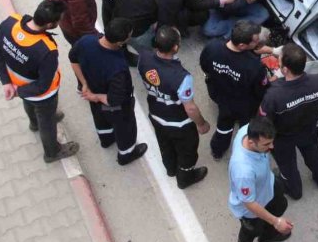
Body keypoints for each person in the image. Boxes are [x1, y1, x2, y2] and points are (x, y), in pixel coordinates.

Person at [0, 0, 78, 163]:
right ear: (50, 24)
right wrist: (17, 91)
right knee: (47, 121)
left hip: (19, 86)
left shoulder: (10, 23)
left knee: (29, 104)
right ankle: (52, 152)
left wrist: (7, 83)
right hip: (42, 95)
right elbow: (43, 85)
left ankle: (34, 123)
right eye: (59, 20)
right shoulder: (46, 50)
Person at [260, 44, 318, 199]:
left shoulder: (273, 95)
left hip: (283, 138)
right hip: (309, 130)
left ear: (284, 70)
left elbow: (263, 121)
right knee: (314, 155)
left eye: (279, 61)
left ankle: (295, 191)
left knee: (287, 166)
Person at [138, 26, 210, 189]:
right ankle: (185, 177)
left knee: (165, 145)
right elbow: (190, 108)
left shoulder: (144, 57)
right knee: (187, 152)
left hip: (156, 115)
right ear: (176, 47)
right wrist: (201, 124)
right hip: (179, 124)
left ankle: (170, 169)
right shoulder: (182, 77)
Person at [69, 18, 147, 165]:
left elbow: (73, 59)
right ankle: (126, 154)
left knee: (101, 119)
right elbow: (113, 100)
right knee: (125, 128)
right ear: (120, 42)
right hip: (113, 105)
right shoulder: (118, 68)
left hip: (95, 97)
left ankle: (106, 140)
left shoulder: (86, 41)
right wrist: (95, 96)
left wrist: (84, 84)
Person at [199, 21, 269, 160]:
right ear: (243, 45)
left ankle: (217, 150)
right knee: (245, 128)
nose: (257, 44)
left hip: (218, 93)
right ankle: (246, 152)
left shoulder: (212, 47)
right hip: (241, 103)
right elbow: (260, 91)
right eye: (255, 42)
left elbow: (204, 66)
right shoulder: (254, 66)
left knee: (224, 126)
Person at [228, 116, 292, 242]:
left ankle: (268, 236)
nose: (272, 147)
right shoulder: (243, 170)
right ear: (251, 142)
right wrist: (276, 222)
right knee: (251, 229)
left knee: (280, 205)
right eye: (266, 144)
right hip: (252, 205)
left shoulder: (247, 130)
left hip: (266, 186)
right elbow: (249, 203)